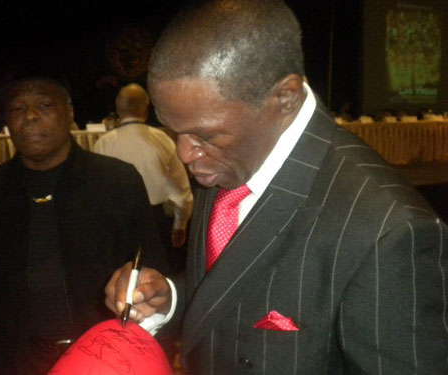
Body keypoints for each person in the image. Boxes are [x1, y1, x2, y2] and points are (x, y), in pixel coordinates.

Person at [104, 0, 448, 374]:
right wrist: (168, 297)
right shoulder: (224, 163)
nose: (185, 153)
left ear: (285, 96)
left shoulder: (389, 232)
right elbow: (231, 283)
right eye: (173, 130)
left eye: (205, 134)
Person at [0, 76, 167, 375]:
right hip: (19, 360)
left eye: (44, 104)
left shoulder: (117, 182)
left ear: (70, 112)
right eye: (17, 108)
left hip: (103, 360)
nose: (30, 116)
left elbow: (152, 271)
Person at [93, 83, 193, 273]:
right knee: (157, 277)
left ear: (118, 108)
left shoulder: (103, 144)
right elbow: (181, 190)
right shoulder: (162, 140)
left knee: (118, 279)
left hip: (115, 224)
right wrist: (180, 224)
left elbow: (96, 194)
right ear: (146, 109)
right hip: (155, 222)